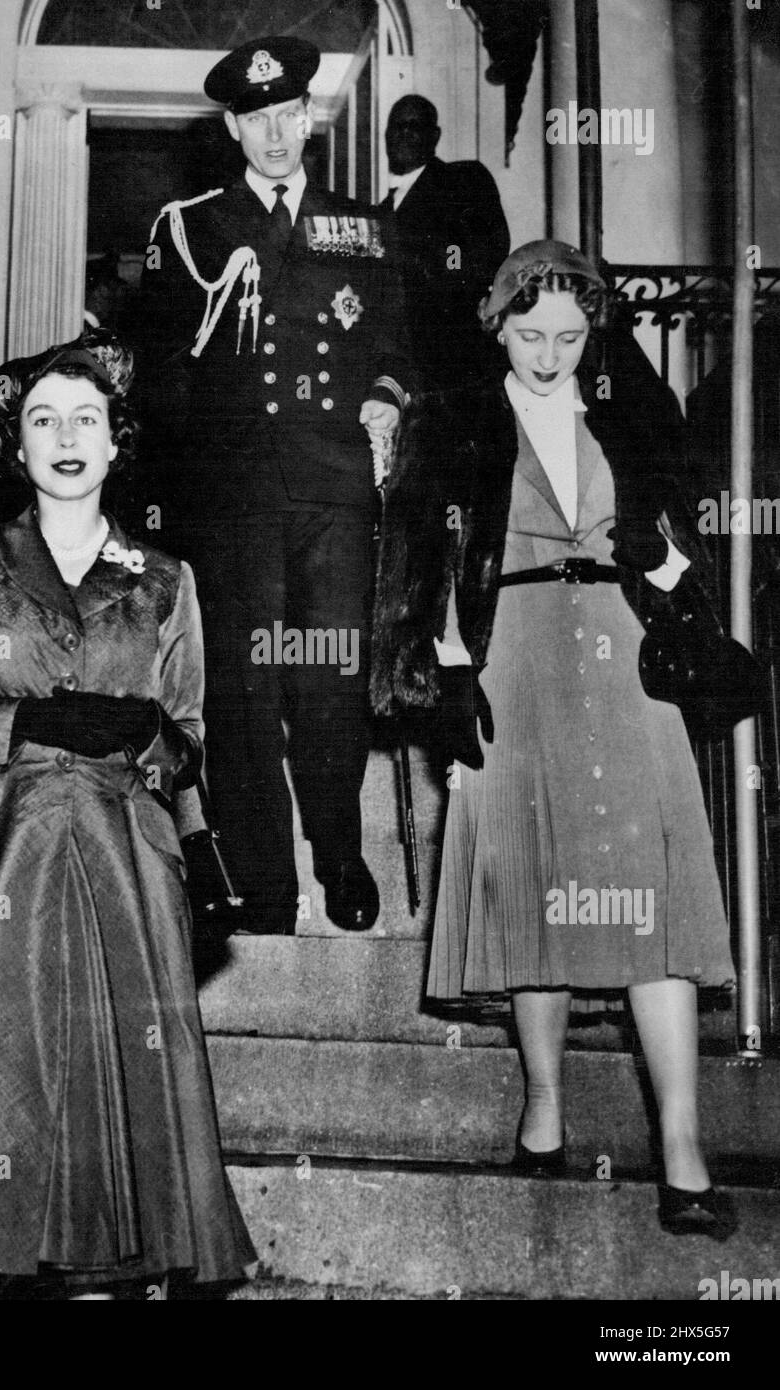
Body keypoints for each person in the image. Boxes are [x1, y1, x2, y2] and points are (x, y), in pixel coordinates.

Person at [0, 329, 255, 1296]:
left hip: (120, 864)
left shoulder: (167, 581)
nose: (67, 436)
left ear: (116, 443)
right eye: (43, 420)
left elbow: (189, 740)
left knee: (113, 1164)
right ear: (17, 449)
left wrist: (140, 738)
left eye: (87, 419)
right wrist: (22, 721)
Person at [371, 241, 739, 1239]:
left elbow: (678, 556)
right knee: (534, 882)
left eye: (569, 336)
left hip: (626, 659)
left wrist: (660, 564)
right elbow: (422, 558)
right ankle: (541, 1111)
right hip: (512, 657)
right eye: (530, 334)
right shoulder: (453, 417)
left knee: (652, 892)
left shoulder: (625, 408)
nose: (549, 353)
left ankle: (681, 1155)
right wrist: (442, 675)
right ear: (497, 325)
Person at [140, 36, 412, 935]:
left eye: (288, 112)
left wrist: (383, 398)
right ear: (232, 125)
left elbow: (398, 352)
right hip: (236, 495)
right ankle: (265, 881)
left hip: (335, 489)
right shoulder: (193, 226)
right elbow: (165, 375)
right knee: (247, 687)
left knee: (329, 679)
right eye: (254, 117)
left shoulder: (363, 229)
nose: (274, 132)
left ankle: (338, 853)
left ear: (311, 115)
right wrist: (178, 501)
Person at [378, 95, 509, 389]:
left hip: (457, 359)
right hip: (403, 363)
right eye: (396, 127)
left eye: (414, 126)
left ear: (434, 135)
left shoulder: (463, 180)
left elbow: (485, 253)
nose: (404, 134)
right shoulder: (381, 211)